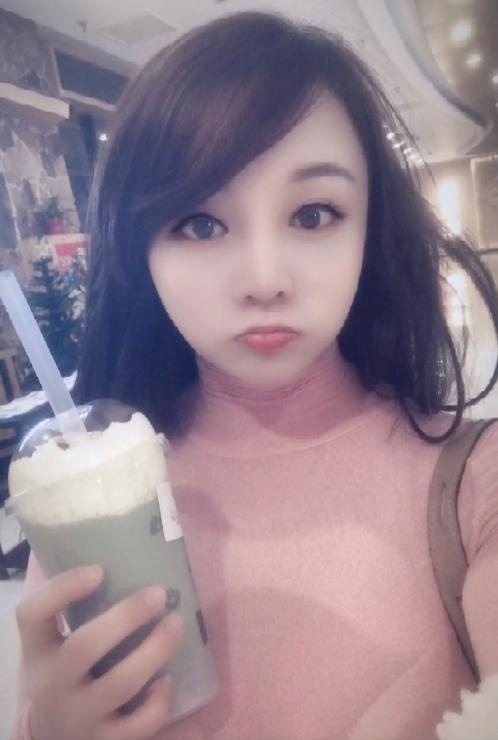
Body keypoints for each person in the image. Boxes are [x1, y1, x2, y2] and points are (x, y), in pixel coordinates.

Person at [11, 11, 498, 740]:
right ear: (142, 253)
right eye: (200, 224)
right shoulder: (87, 501)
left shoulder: (474, 486)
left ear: (371, 229)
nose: (264, 279)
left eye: (313, 214)